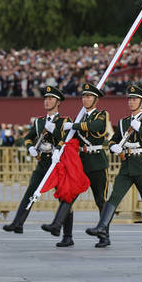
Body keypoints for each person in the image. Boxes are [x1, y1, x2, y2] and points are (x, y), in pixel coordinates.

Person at [85, 85, 142, 248]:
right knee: (114, 197)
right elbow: (114, 140)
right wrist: (113, 147)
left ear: (141, 102)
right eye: (130, 99)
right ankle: (102, 227)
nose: (131, 102)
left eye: (134, 99)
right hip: (126, 165)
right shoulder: (123, 122)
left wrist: (141, 128)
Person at [41, 83, 111, 247]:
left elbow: (97, 127)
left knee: (101, 200)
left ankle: (104, 235)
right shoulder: (80, 117)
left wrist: (74, 125)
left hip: (98, 162)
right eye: (84, 96)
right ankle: (62, 231)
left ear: (95, 99)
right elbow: (68, 136)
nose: (85, 99)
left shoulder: (101, 115)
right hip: (81, 163)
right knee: (69, 196)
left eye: (89, 96)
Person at [3, 86, 70, 233]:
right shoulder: (39, 122)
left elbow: (66, 139)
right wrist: (30, 148)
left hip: (57, 164)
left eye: (51, 98)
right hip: (43, 162)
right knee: (31, 192)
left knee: (64, 196)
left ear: (58, 102)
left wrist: (56, 132)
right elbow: (28, 138)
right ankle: (18, 223)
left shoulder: (64, 121)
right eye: (45, 98)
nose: (47, 101)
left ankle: (67, 235)